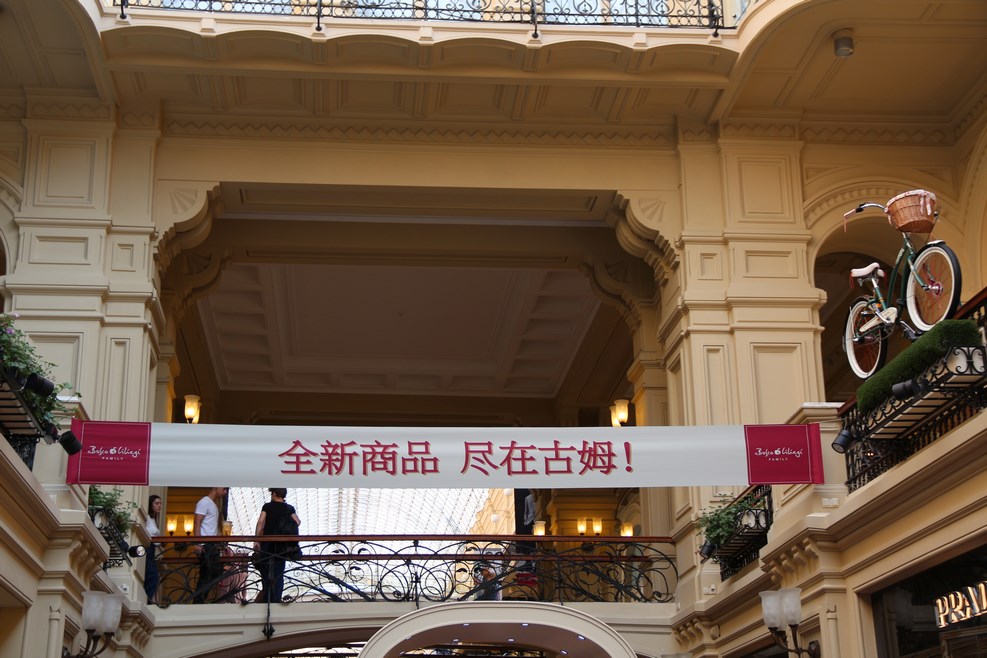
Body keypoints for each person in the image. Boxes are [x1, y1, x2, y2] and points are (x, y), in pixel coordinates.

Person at [253, 488, 301, 604]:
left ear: (274, 493)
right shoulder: (289, 508)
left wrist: (256, 541)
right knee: (279, 573)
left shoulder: (267, 507)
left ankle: (267, 599)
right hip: (282, 547)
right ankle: (276, 599)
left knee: (266, 572)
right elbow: (298, 521)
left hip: (267, 545)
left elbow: (260, 522)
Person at [191, 486, 228, 604]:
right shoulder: (204, 502)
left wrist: (221, 538)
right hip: (205, 544)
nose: (225, 492)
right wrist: (197, 543)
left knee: (211, 572)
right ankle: (198, 601)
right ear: (217, 486)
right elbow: (197, 522)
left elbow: (211, 527)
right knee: (209, 572)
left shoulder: (214, 505)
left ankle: (200, 600)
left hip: (212, 544)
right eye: (224, 488)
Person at [144, 495, 161, 604]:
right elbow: (146, 533)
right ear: (151, 504)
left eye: (160, 503)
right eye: (156, 503)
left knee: (154, 576)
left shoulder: (154, 519)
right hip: (147, 549)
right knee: (151, 575)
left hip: (152, 550)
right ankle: (149, 600)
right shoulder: (146, 517)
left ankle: (152, 601)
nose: (159, 506)